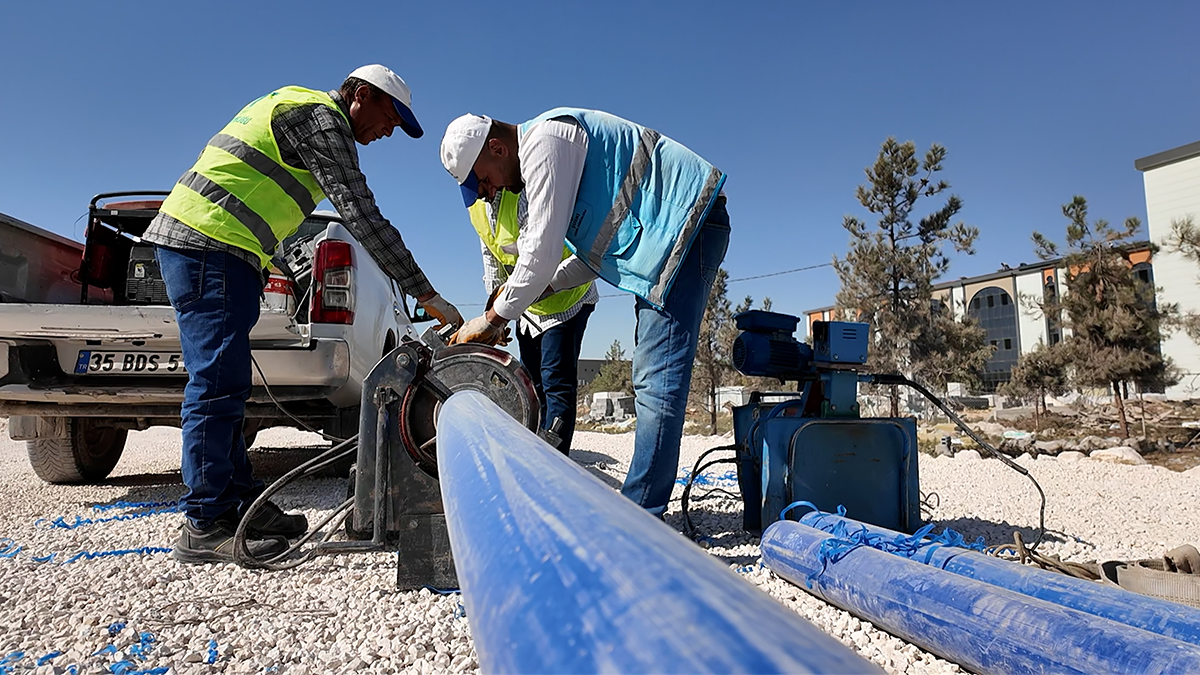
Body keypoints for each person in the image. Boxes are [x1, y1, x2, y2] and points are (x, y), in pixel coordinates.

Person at [143, 64, 462, 563]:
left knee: (231, 382)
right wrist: (426, 292)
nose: (387, 132)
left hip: (229, 250)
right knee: (216, 383)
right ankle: (205, 521)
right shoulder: (320, 117)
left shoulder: (304, 110)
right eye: (388, 117)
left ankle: (238, 502)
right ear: (358, 94)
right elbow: (360, 213)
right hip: (207, 243)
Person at [440, 109, 730, 518]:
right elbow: (588, 259)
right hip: (668, 241)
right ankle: (645, 506)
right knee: (652, 378)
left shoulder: (547, 142)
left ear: (497, 148)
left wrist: (489, 322)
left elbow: (538, 256)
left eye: (484, 179)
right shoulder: (550, 159)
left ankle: (642, 517)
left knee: (657, 380)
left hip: (687, 226)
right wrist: (542, 287)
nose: (488, 192)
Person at [467, 189, 597, 454]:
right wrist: (495, 312)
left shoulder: (524, 190)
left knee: (556, 382)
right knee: (532, 383)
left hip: (565, 299)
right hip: (527, 305)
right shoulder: (477, 207)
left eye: (484, 178)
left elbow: (535, 260)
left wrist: (496, 317)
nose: (483, 187)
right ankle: (537, 450)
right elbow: (492, 259)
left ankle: (556, 463)